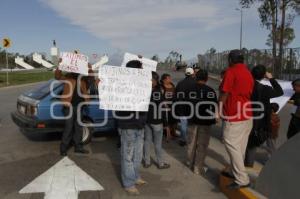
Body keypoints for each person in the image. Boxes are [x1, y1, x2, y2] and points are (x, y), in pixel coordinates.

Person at [219, 49, 254, 189]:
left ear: (230, 60)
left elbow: (225, 92)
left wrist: (218, 110)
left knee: (230, 144)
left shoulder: (231, 71)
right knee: (240, 147)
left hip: (234, 115)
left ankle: (242, 179)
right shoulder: (248, 72)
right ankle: (236, 172)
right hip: (247, 115)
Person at [115, 60, 148, 195]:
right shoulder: (120, 85)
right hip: (128, 125)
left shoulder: (142, 84)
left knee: (137, 155)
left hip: (140, 125)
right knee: (127, 156)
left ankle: (135, 177)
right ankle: (129, 183)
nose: (143, 70)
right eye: (141, 68)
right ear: (135, 71)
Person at [245, 65, 283, 168]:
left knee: (251, 142)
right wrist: (271, 78)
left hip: (248, 116)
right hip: (264, 119)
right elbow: (280, 92)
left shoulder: (246, 85)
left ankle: (248, 164)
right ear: (263, 76)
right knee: (269, 140)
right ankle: (273, 161)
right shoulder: (265, 89)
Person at [54, 62, 93, 156]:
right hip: (69, 106)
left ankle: (78, 147)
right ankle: (63, 148)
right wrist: (60, 65)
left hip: (80, 106)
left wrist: (89, 68)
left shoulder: (83, 78)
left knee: (79, 127)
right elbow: (57, 76)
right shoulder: (68, 77)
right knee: (69, 127)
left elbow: (91, 79)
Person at [186, 69, 217, 175]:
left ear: (196, 78)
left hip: (192, 120)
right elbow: (214, 107)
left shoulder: (189, 90)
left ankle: (190, 162)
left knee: (191, 142)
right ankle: (197, 168)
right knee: (202, 145)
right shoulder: (210, 91)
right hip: (205, 122)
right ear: (207, 79)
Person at [143, 72, 170, 169]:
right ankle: (160, 163)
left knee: (147, 141)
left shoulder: (143, 91)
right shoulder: (158, 92)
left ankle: (147, 162)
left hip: (147, 121)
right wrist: (166, 124)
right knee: (157, 144)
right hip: (157, 122)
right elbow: (163, 108)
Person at [174, 67, 196, 146]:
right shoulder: (195, 83)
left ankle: (183, 139)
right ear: (193, 74)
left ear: (185, 74)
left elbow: (175, 96)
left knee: (183, 124)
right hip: (192, 108)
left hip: (181, 107)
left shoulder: (180, 83)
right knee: (192, 125)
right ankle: (191, 140)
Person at [160, 73, 177, 141]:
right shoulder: (161, 87)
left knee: (173, 120)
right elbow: (160, 96)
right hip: (165, 105)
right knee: (166, 120)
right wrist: (164, 103)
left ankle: (173, 132)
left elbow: (175, 94)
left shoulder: (172, 85)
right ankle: (168, 134)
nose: (170, 79)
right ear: (164, 80)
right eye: (168, 78)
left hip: (172, 105)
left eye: (170, 78)